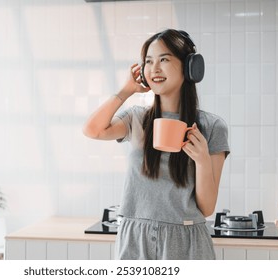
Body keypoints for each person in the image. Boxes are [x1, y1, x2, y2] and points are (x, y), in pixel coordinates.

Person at [82, 29, 230, 260]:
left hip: (186, 240)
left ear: (190, 67)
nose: (155, 69)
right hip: (134, 238)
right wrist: (126, 90)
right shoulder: (137, 118)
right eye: (148, 62)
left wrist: (201, 160)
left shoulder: (211, 127)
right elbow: (93, 130)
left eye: (164, 60)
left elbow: (207, 207)